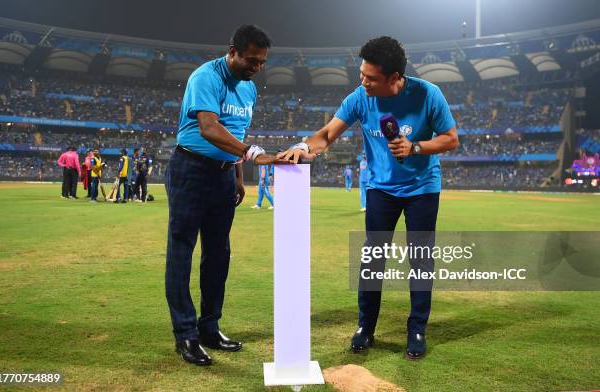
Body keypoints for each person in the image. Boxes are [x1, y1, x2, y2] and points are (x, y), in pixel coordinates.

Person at [278, 36, 459, 360]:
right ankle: (366, 326)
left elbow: (450, 139)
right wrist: (305, 147)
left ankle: (417, 328)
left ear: (394, 78)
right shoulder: (360, 97)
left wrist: (415, 147)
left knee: (420, 260)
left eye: (370, 78)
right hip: (380, 189)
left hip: (422, 188)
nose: (363, 82)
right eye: (361, 74)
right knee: (373, 259)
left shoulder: (428, 95)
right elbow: (328, 134)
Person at [165, 24, 287, 366]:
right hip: (190, 170)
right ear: (232, 51)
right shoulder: (205, 77)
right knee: (182, 252)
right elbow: (209, 127)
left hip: (221, 176)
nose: (256, 68)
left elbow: (234, 131)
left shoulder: (248, 89)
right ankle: (185, 335)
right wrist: (250, 154)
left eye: (262, 62)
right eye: (251, 60)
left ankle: (209, 327)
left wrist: (235, 175)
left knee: (218, 254)